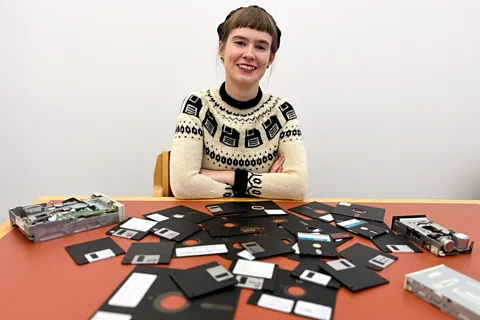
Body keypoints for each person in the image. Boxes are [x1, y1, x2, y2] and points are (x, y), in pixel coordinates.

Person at [169, 5, 308, 200]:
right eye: (240, 43)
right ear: (221, 48)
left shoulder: (282, 112)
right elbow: (184, 186)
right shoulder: (197, 106)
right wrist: (265, 183)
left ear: (270, 58)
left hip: (266, 225)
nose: (249, 54)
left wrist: (223, 177)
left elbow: (297, 186)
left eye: (260, 47)